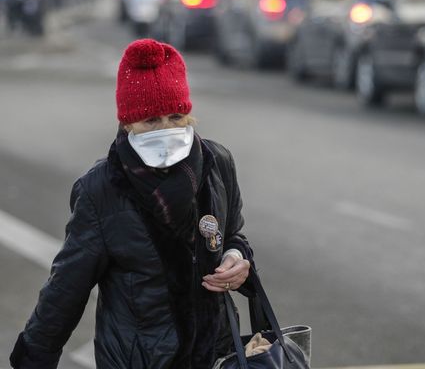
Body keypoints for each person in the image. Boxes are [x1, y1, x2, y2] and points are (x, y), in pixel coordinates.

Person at [9, 38, 254, 369]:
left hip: (216, 353)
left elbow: (233, 235)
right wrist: (34, 356)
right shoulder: (101, 190)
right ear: (128, 123)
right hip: (138, 359)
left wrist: (236, 260)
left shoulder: (217, 163)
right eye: (151, 121)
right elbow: (67, 288)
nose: (166, 129)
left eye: (176, 116)